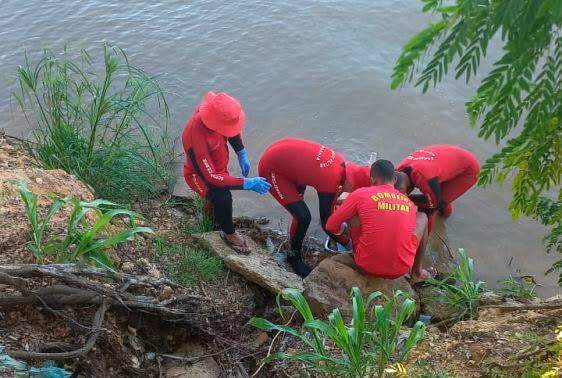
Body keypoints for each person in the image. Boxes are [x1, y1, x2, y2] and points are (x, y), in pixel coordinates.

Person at [258, 138, 371, 277]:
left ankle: (293, 242)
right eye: (352, 192)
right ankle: (294, 257)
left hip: (287, 160)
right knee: (303, 217)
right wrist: (350, 245)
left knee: (301, 210)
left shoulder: (340, 165)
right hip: (273, 169)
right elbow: (328, 225)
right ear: (351, 183)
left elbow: (333, 204)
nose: (348, 195)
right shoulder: (331, 180)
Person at [182, 92, 271, 254]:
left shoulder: (215, 110)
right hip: (199, 175)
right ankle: (228, 233)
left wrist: (240, 151)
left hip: (216, 166)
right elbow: (211, 177)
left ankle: (208, 213)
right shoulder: (195, 136)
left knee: (219, 193)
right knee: (223, 197)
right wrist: (247, 183)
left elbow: (230, 127)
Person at [325, 160, 430, 283]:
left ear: (372, 180)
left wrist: (345, 231)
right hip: (401, 269)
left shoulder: (360, 194)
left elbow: (330, 225)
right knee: (422, 217)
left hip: (365, 264)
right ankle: (417, 272)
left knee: (355, 209)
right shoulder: (409, 203)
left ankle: (356, 250)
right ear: (395, 180)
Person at [395, 145, 480, 220]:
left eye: (401, 192)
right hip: (447, 157)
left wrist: (405, 201)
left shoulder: (425, 179)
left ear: (403, 188)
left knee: (438, 203)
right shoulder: (396, 171)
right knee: (437, 194)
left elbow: (433, 206)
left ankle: (444, 219)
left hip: (468, 170)